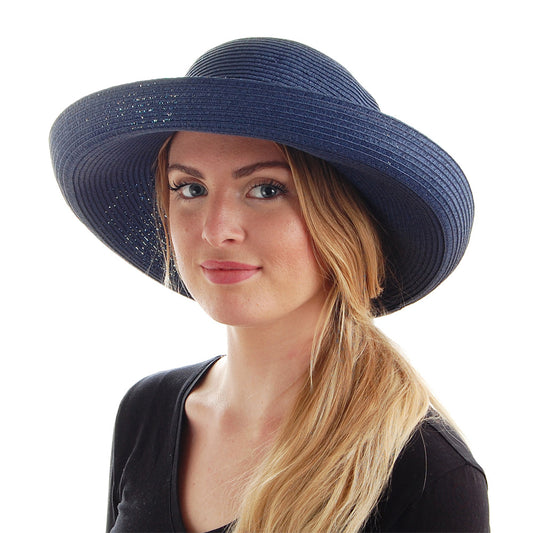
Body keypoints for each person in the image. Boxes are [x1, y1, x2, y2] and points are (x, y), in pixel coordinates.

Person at [50, 38, 489, 532]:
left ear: (343, 223)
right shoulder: (148, 411)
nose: (216, 230)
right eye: (191, 188)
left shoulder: (425, 472)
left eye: (266, 189)